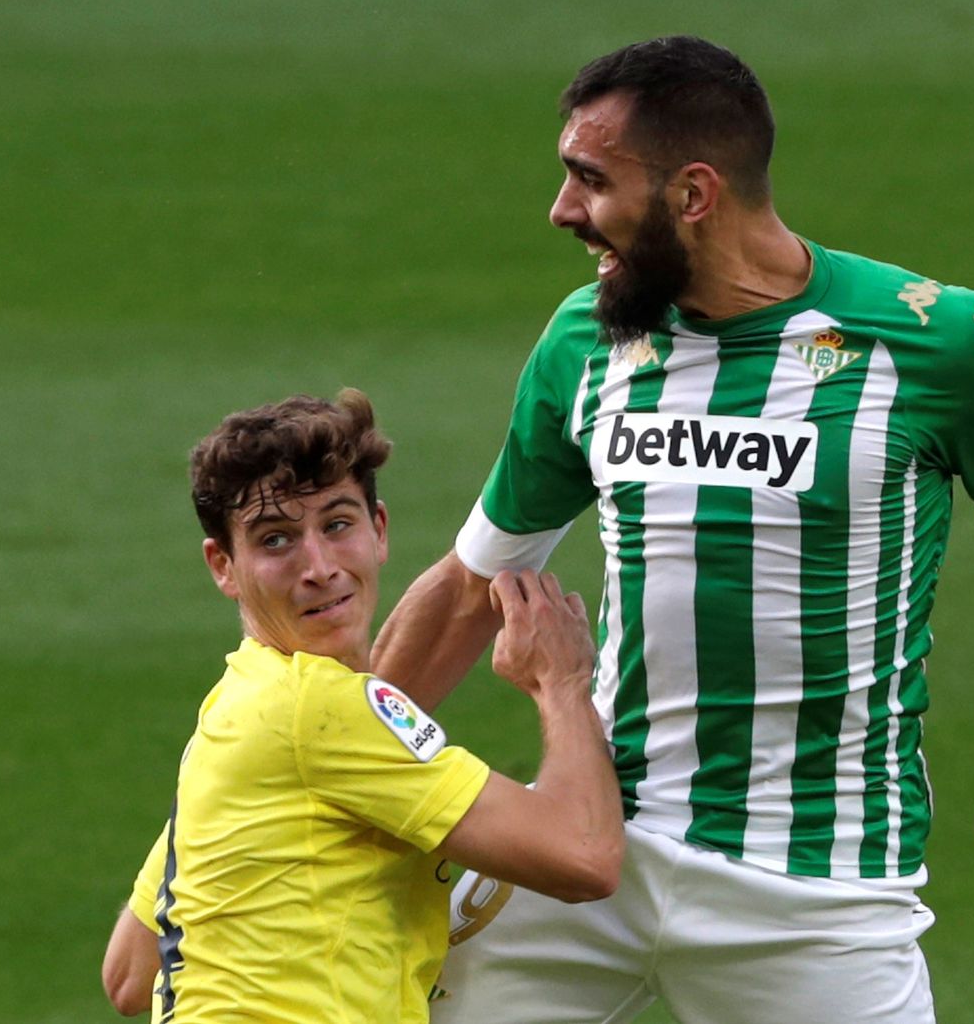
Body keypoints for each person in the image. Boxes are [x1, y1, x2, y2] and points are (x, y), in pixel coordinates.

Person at [371, 35, 974, 1024]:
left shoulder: (937, 339)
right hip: (592, 850)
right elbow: (467, 585)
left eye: (590, 179)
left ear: (692, 195)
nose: (562, 211)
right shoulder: (585, 342)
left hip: (818, 890)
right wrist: (307, 767)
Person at [100, 390, 624, 1022]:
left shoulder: (233, 713)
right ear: (223, 566)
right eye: (276, 540)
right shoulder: (321, 711)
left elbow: (130, 975)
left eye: (337, 524)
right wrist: (561, 684)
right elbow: (585, 856)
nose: (319, 566)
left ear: (379, 530)